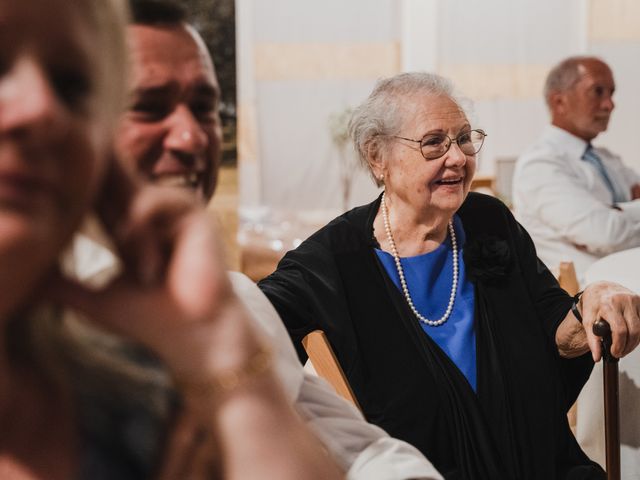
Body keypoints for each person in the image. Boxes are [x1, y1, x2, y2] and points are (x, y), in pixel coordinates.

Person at [65, 0, 444, 478]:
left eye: (203, 108)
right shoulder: (34, 320)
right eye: (148, 106)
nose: (190, 137)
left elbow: (361, 450)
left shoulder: (236, 301)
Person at [0, 0, 354, 478]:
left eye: (71, 85)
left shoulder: (126, 398)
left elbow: (354, 442)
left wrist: (223, 358)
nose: (43, 108)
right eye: (147, 106)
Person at [258, 71, 640, 479]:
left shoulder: (488, 220)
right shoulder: (332, 261)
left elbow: (557, 333)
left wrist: (592, 299)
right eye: (434, 142)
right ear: (377, 157)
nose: (457, 157)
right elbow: (245, 333)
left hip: (545, 467)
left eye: (463, 138)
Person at [512, 56, 640, 283]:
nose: (610, 104)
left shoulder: (608, 159)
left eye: (611, 93)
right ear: (559, 101)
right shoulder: (540, 165)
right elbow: (605, 234)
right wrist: (614, 219)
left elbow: (607, 230)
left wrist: (617, 212)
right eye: (597, 91)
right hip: (595, 301)